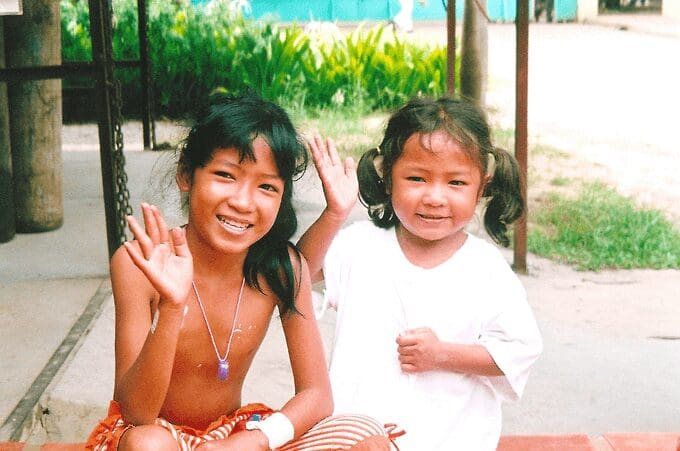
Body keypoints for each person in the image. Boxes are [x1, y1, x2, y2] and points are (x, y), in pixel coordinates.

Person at [86, 92, 395, 450]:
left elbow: (316, 394)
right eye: (225, 175)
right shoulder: (139, 263)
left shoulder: (280, 269)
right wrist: (171, 307)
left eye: (266, 186)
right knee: (150, 444)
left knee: (366, 436)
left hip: (233, 434)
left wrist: (259, 439)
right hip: (152, 435)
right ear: (187, 175)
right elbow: (136, 412)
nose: (243, 202)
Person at [298, 96, 543, 450]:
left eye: (456, 183)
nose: (434, 197)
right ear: (387, 178)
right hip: (358, 442)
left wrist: (442, 354)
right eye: (416, 178)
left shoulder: (486, 269)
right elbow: (298, 273)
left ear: (482, 186)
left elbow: (519, 351)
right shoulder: (360, 246)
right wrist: (335, 213)